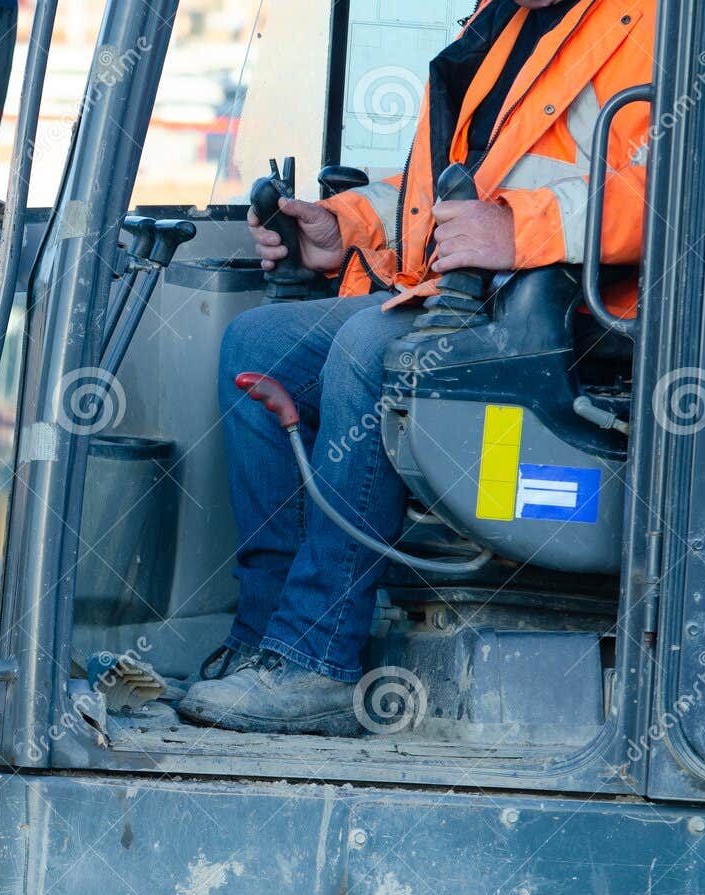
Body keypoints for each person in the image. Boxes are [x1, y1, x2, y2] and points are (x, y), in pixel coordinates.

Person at [181, 0, 654, 736]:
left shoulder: (661, 23)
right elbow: (453, 195)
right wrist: (347, 229)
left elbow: (696, 191)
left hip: (583, 319)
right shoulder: (501, 24)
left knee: (372, 350)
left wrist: (519, 228)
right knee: (258, 344)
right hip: (478, 296)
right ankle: (266, 643)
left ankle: (319, 658)